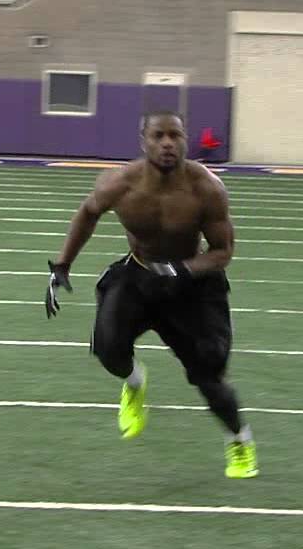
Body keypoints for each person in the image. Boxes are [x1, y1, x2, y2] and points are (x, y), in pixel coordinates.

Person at [44, 110, 258, 479]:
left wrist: (184, 270)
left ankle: (239, 441)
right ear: (143, 141)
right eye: (158, 136)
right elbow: (88, 212)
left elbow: (223, 251)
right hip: (141, 276)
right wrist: (62, 265)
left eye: (175, 135)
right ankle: (135, 383)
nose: (167, 143)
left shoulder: (206, 188)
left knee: (209, 378)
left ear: (185, 140)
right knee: (109, 349)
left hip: (192, 286)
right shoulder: (120, 184)